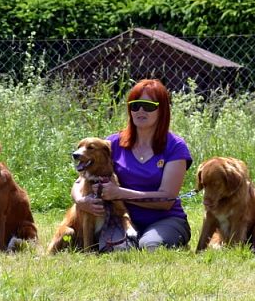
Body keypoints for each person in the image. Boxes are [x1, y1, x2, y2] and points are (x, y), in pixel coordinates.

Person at [72, 79, 192, 250]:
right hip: (120, 218)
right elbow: (80, 181)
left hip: (164, 218)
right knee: (116, 250)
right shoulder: (112, 143)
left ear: (162, 110)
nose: (140, 110)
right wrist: (81, 200)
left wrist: (119, 193)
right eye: (135, 106)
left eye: (148, 106)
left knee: (151, 246)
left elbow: (166, 199)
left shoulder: (175, 146)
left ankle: (170, 237)